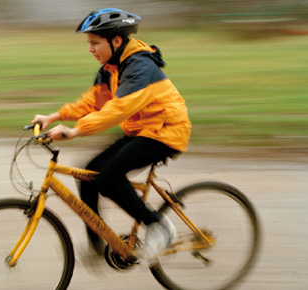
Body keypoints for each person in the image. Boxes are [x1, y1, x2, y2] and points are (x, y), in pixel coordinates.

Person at [31, 8, 191, 264]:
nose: (90, 49)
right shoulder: (111, 67)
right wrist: (54, 116)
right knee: (90, 173)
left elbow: (118, 109)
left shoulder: (139, 66)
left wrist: (75, 131)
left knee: (109, 177)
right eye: (89, 43)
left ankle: (159, 225)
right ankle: (100, 242)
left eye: (95, 43)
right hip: (142, 130)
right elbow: (94, 102)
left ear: (116, 41)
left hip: (166, 131)